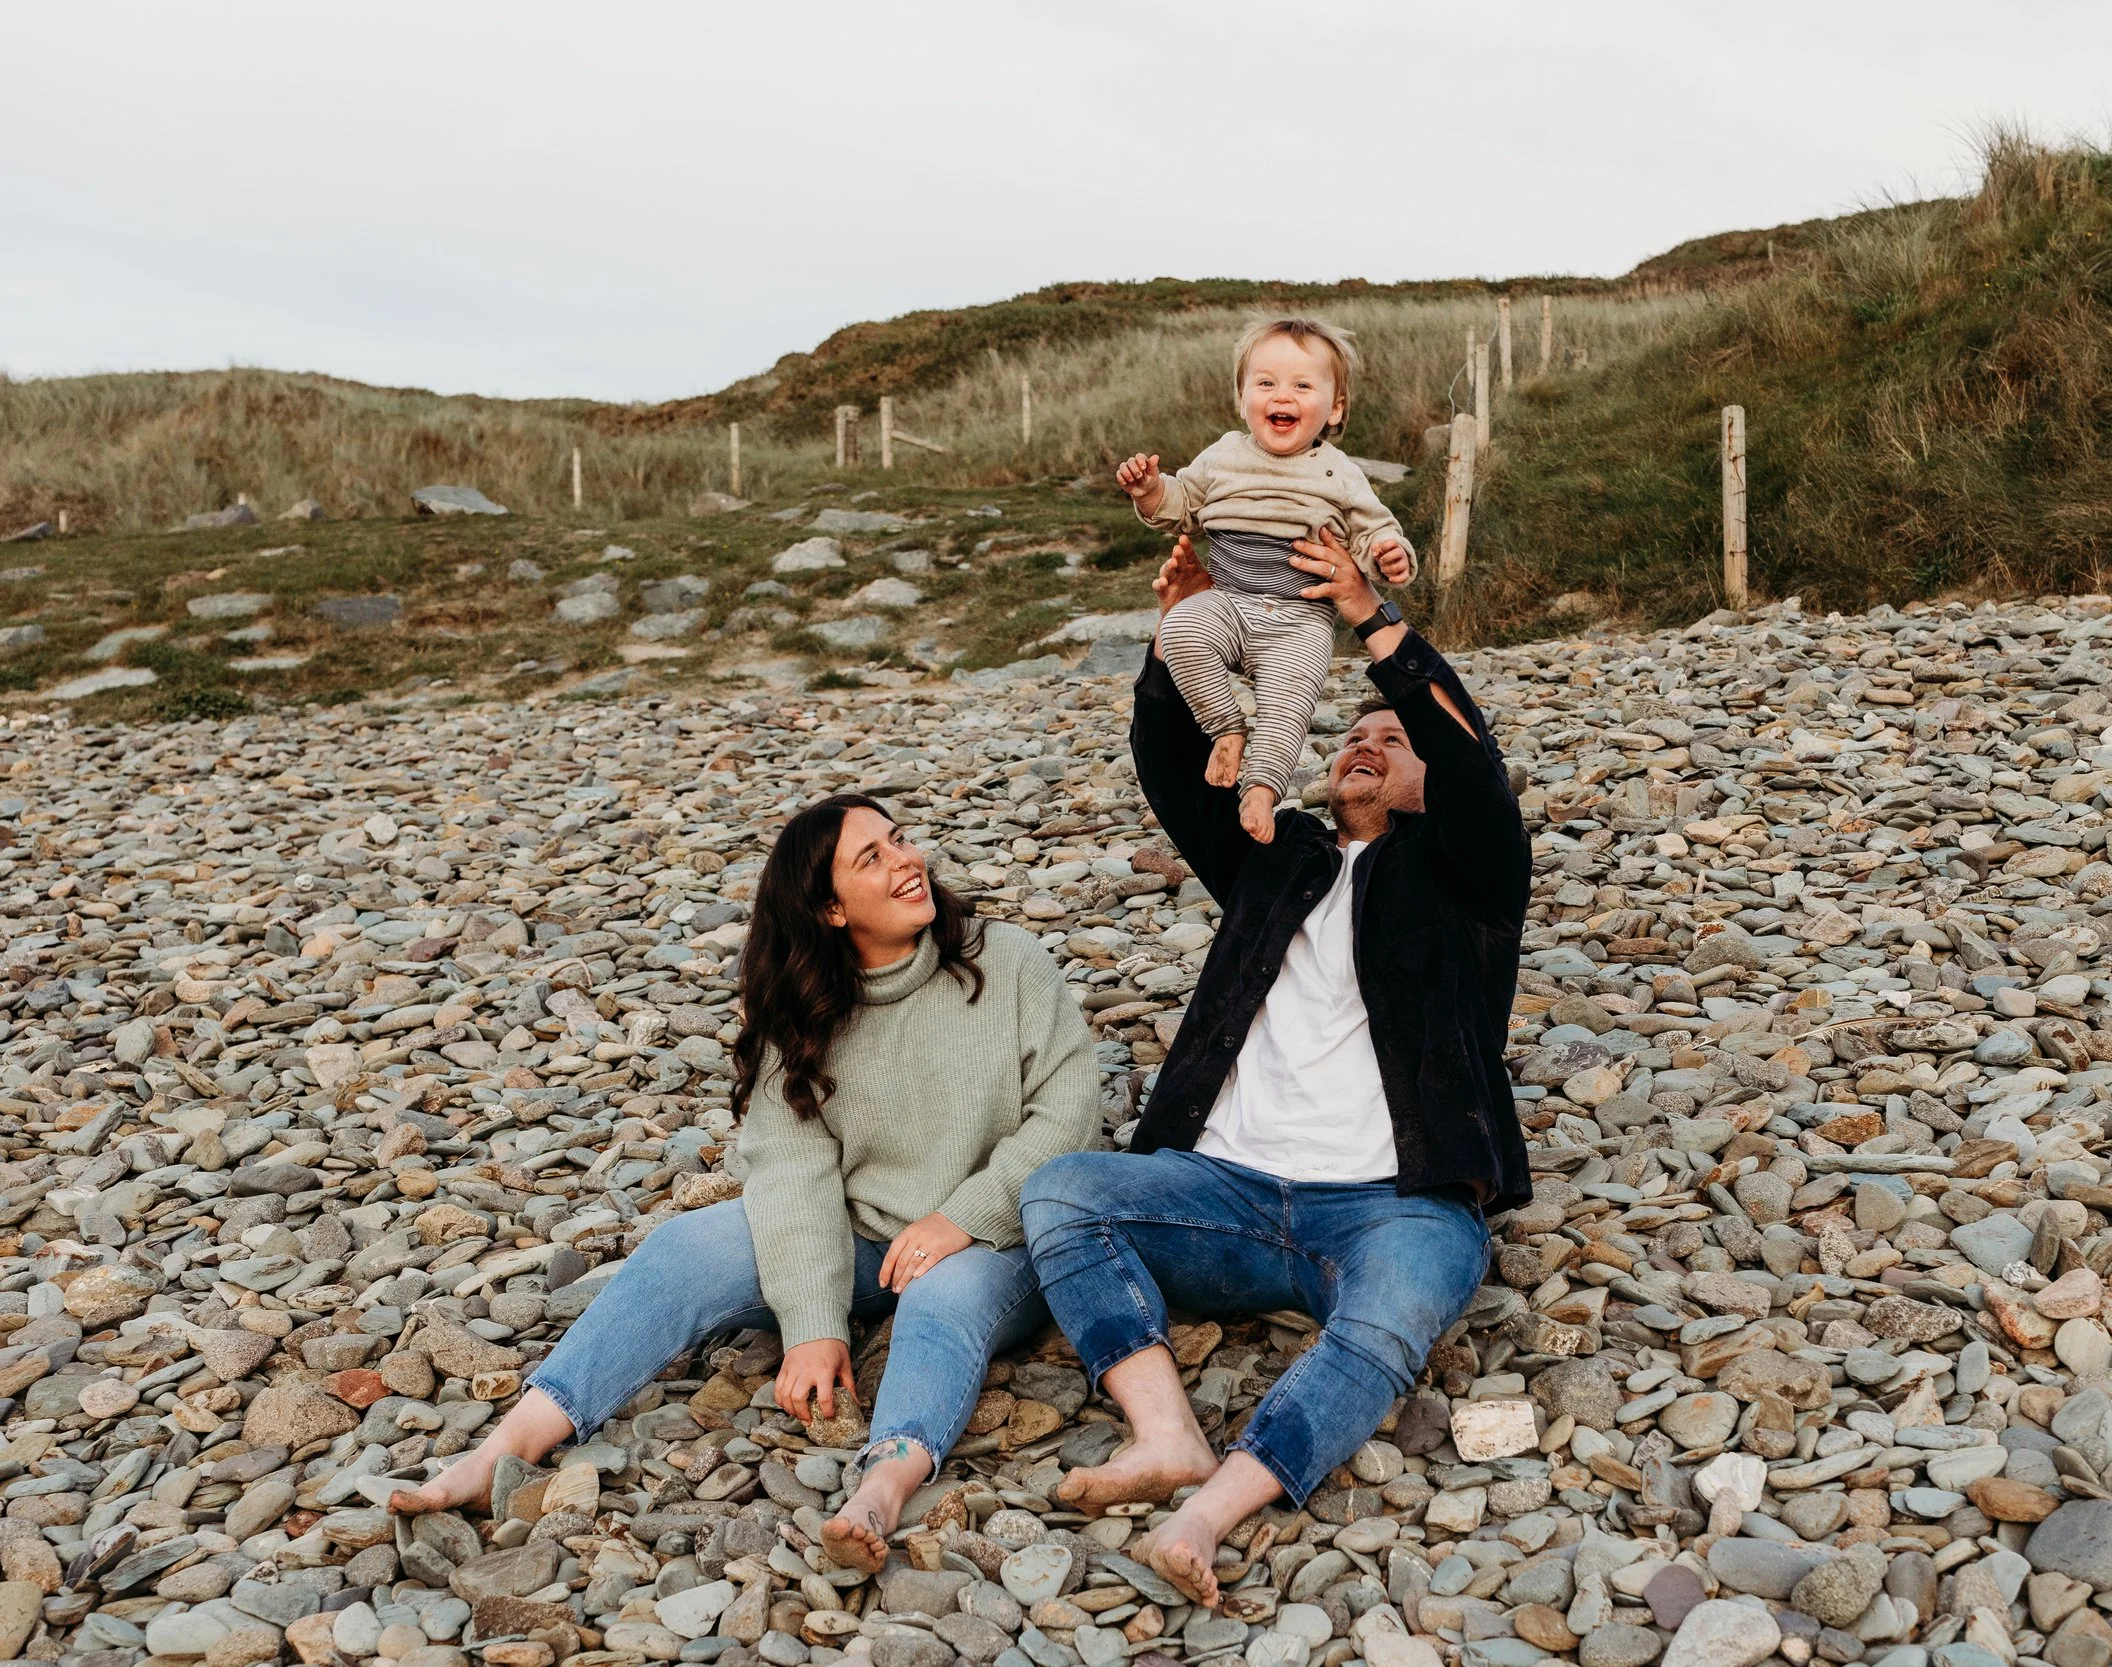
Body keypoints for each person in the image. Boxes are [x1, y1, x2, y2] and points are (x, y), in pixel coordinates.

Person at [1019, 527, 1532, 1606]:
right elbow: (1166, 762)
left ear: (1433, 780)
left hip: (1393, 1204)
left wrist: (1372, 624)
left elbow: (1473, 759)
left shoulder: (1470, 877)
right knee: (1065, 1191)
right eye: (1351, 728)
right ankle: (1164, 1435)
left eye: (1393, 738)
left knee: (1399, 1308)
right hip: (1224, 1191)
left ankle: (1215, 1508)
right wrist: (1183, 632)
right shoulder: (1276, 856)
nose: (1364, 740)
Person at [391, 794, 1100, 1571]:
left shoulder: (1010, 961)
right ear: (829, 909)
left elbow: (1069, 1119)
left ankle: (884, 1484)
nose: (908, 860)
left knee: (942, 1297)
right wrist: (814, 1322)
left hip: (1001, 1238)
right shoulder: (802, 1011)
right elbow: (792, 1175)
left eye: (900, 840)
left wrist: (960, 1216)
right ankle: (510, 1443)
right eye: (874, 857)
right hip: (866, 1237)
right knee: (684, 1246)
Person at [1114, 316, 1418, 845]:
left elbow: (1374, 529)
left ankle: (1263, 788)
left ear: (1335, 407)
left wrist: (1390, 554)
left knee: (1288, 701)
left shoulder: (1339, 471)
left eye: (1303, 385)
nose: (1284, 395)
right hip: (1228, 598)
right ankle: (1226, 728)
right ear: (1242, 397)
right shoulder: (1223, 455)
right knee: (1182, 626)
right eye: (1267, 382)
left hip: (1300, 617)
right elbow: (1181, 504)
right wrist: (1148, 491)